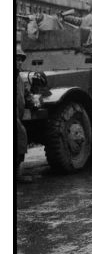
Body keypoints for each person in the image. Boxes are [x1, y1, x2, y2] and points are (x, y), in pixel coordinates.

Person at [16, 44, 33, 183]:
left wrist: (32, 101)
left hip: (17, 117)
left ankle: (16, 174)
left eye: (21, 59)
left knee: (20, 141)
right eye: (16, 59)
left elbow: (26, 95)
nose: (20, 62)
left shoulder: (19, 79)